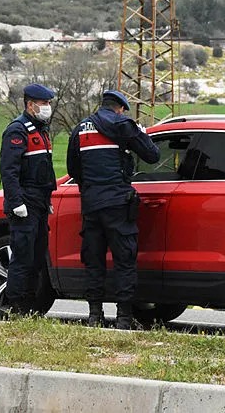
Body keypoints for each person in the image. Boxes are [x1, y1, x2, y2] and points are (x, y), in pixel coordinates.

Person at [67, 90, 160, 329]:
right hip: (118, 205)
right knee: (124, 261)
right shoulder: (124, 126)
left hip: (91, 205)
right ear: (120, 108)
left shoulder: (80, 129)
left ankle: (95, 315)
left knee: (94, 260)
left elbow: (73, 170)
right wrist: (139, 131)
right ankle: (124, 318)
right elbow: (152, 155)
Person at [0, 83, 57, 316]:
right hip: (25, 202)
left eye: (49, 103)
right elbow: (9, 171)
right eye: (44, 103)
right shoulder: (18, 130)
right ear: (30, 104)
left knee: (36, 257)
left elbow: (43, 170)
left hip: (39, 202)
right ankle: (16, 306)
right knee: (22, 257)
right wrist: (16, 202)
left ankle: (32, 306)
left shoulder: (40, 130)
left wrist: (47, 199)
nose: (48, 107)